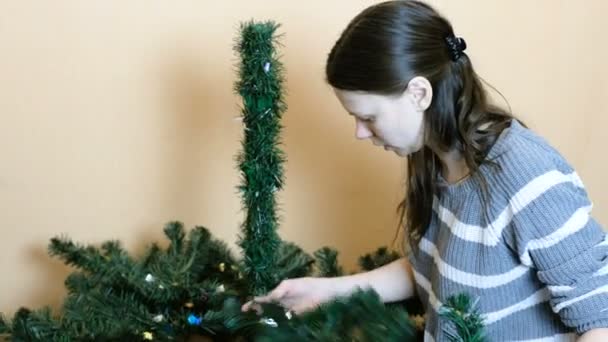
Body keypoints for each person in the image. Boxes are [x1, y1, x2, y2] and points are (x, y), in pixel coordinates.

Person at [242, 1, 608, 340]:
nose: (360, 132)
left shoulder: (525, 173)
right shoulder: (434, 162)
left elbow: (599, 318)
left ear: (419, 94)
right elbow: (430, 269)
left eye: (368, 117)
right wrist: (325, 290)